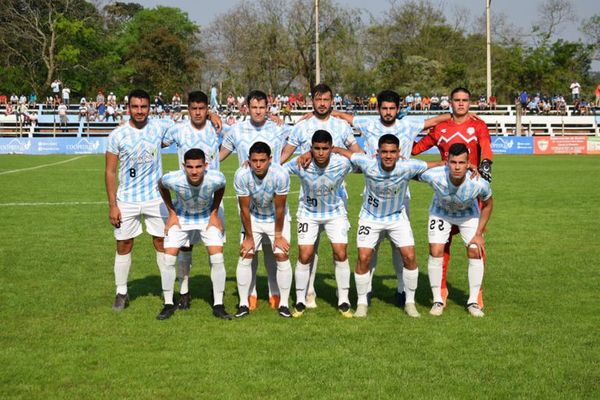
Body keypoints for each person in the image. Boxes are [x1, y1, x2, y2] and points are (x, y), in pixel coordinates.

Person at [332, 134, 443, 318]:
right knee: (364, 258)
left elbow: (434, 165)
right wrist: (333, 149)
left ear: (399, 153)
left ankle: (410, 302)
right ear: (377, 153)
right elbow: (345, 153)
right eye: (384, 152)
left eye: (392, 152)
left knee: (409, 256)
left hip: (397, 218)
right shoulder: (367, 163)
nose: (388, 156)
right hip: (370, 218)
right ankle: (361, 303)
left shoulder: (408, 166)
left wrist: (457, 165)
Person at [280, 83, 363, 309]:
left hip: (336, 195)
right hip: (309, 193)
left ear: (332, 100)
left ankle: (342, 293)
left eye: (326, 99)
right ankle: (308, 292)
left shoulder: (341, 125)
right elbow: (285, 155)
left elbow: (358, 155)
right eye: (318, 99)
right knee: (309, 248)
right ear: (312, 101)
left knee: (339, 248)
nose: (322, 103)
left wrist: (335, 150)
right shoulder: (302, 126)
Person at [412, 87, 493, 308]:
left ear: (470, 102)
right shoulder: (441, 128)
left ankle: (476, 294)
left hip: (470, 196)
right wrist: (403, 135)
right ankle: (442, 290)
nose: (460, 104)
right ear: (450, 102)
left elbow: (486, 149)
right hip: (446, 192)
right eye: (456, 100)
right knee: (441, 247)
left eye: (465, 100)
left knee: (476, 245)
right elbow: (417, 148)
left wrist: (483, 171)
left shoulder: (478, 125)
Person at [220, 90, 290, 311]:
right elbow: (218, 155)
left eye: (262, 107)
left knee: (274, 251)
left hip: (273, 195)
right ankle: (250, 294)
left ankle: (275, 292)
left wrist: (278, 163)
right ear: (246, 108)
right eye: (254, 107)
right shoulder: (236, 131)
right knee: (249, 249)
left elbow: (300, 139)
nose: (258, 111)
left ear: (268, 107)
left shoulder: (279, 127)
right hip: (248, 197)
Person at [104, 89, 170, 311]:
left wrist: (211, 115)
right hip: (127, 200)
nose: (140, 111)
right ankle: (121, 292)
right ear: (128, 108)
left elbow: (189, 123)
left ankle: (167, 291)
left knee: (162, 243)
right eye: (135, 107)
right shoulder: (117, 135)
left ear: (150, 107)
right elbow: (110, 171)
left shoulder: (159, 127)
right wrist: (113, 205)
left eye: (144, 107)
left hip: (155, 198)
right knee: (124, 244)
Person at [161, 91, 223, 310]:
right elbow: (155, 139)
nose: (198, 112)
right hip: (185, 199)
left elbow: (248, 134)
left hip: (211, 199)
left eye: (202, 108)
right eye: (194, 108)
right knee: (184, 249)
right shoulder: (178, 130)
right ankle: (184, 293)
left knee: (214, 251)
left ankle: (218, 302)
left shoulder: (218, 129)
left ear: (207, 109)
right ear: (188, 109)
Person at [418, 143, 493, 317]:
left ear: (468, 164)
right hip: (441, 213)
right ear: (447, 162)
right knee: (436, 250)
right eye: (453, 162)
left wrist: (479, 233)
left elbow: (488, 204)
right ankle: (437, 300)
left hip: (468, 215)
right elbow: (412, 171)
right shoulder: (435, 176)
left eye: (461, 162)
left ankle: (473, 302)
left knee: (475, 250)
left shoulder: (478, 183)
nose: (457, 167)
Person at [285, 130, 353, 318]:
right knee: (305, 255)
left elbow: (363, 159)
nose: (321, 152)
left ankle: (344, 300)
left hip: (334, 214)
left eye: (325, 148)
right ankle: (300, 300)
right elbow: (276, 169)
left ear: (331, 148)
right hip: (308, 214)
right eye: (317, 148)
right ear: (311, 149)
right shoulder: (301, 164)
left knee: (340, 252)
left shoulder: (342, 163)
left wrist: (339, 150)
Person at [157, 148, 231, 320]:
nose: (194, 171)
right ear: (184, 166)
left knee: (217, 256)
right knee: (168, 258)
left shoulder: (216, 178)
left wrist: (214, 213)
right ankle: (168, 304)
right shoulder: (172, 178)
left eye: (198, 166)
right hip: (182, 217)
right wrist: (172, 213)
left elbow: (221, 187)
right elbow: (161, 185)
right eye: (190, 167)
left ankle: (218, 305)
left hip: (207, 217)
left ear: (206, 165)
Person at [233, 141, 293, 318]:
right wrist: (249, 237)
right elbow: (244, 209)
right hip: (253, 217)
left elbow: (280, 208)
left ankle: (283, 303)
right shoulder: (242, 175)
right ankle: (243, 303)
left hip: (276, 218)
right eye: (254, 160)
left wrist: (278, 235)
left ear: (270, 159)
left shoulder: (280, 175)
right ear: (249, 160)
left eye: (262, 160)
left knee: (281, 254)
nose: (258, 164)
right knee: (246, 254)